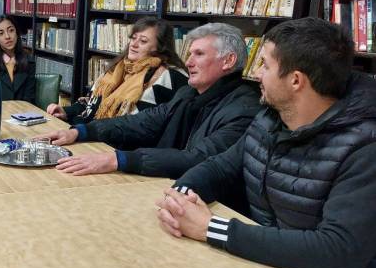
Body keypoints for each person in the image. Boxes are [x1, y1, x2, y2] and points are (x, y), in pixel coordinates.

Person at [156, 17, 376, 268]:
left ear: (296, 80)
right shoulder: (270, 118)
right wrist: (179, 201)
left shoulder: (365, 146)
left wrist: (211, 228)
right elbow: (220, 168)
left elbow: (338, 253)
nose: (256, 73)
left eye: (265, 65)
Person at [41, 23, 260, 179]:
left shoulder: (243, 110)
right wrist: (80, 132)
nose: (189, 62)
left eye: (199, 54)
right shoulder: (189, 94)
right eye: (189, 54)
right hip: (163, 183)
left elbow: (197, 159)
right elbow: (142, 122)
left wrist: (119, 160)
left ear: (228, 61)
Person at [46, 18, 188, 125]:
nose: (134, 44)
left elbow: (143, 125)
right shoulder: (117, 68)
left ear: (160, 47)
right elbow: (92, 103)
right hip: (85, 131)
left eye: (143, 41)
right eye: (133, 38)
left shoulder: (167, 76)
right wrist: (66, 112)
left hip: (111, 146)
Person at [0, 15, 36, 103]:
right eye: (1, 34)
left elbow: (29, 99)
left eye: (11, 30)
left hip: (21, 114)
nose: (7, 36)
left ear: (17, 33)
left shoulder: (29, 61)